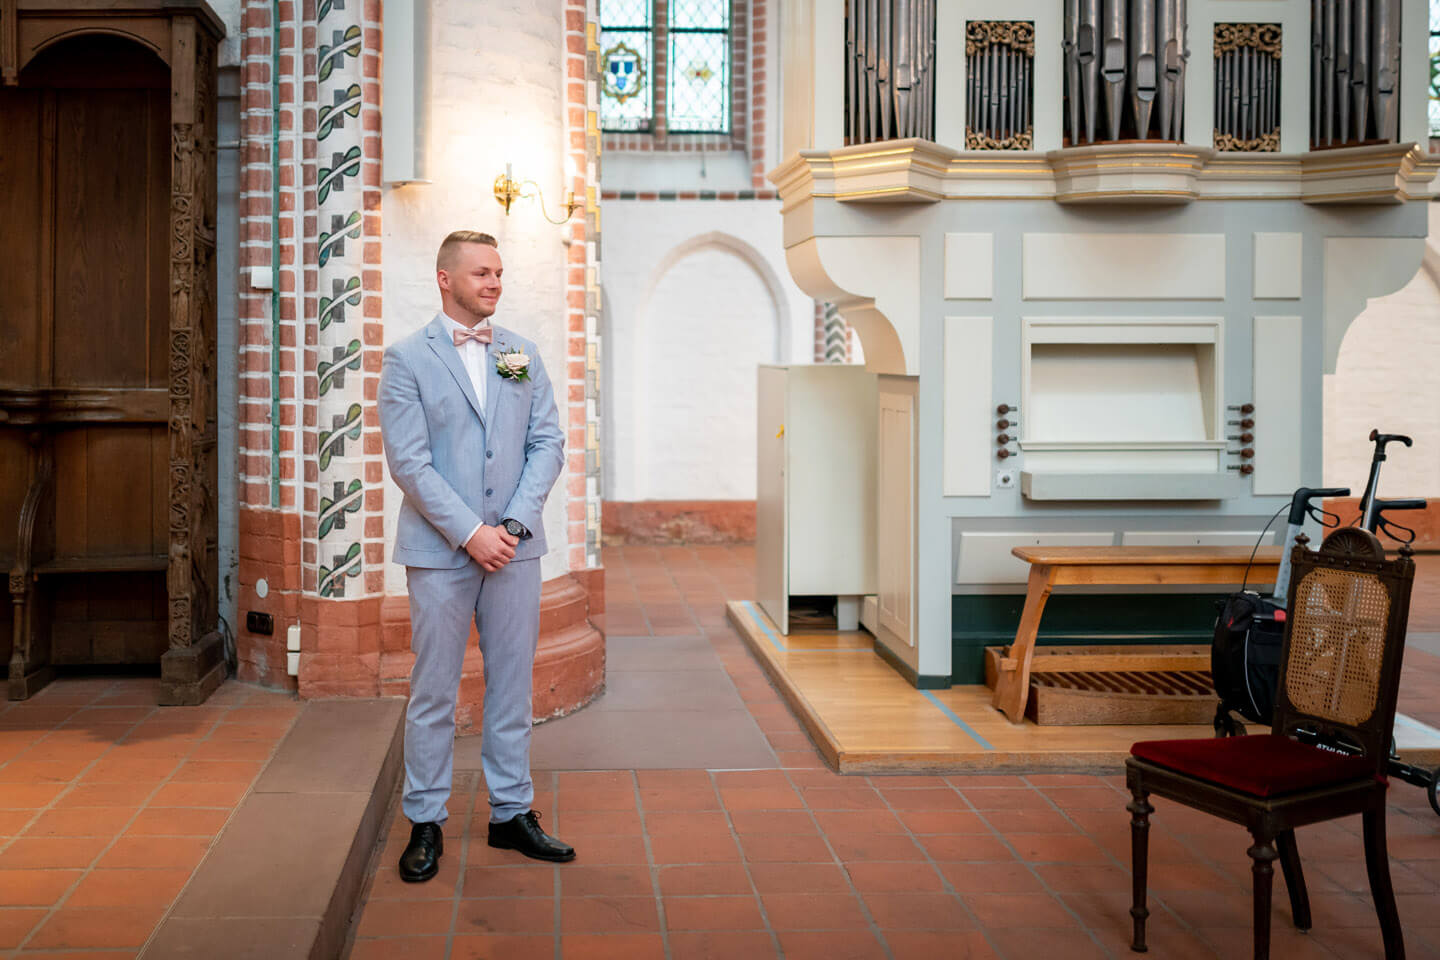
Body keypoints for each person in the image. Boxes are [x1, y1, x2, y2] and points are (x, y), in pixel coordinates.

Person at [378, 230, 572, 882]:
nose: (494, 283)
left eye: (498, 272)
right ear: (445, 279)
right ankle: (425, 820)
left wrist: (511, 524)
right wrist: (470, 532)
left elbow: (545, 442)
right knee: (433, 690)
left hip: (514, 549)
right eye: (481, 273)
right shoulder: (407, 359)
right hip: (440, 552)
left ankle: (511, 814)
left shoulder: (516, 354)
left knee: (512, 686)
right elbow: (409, 462)